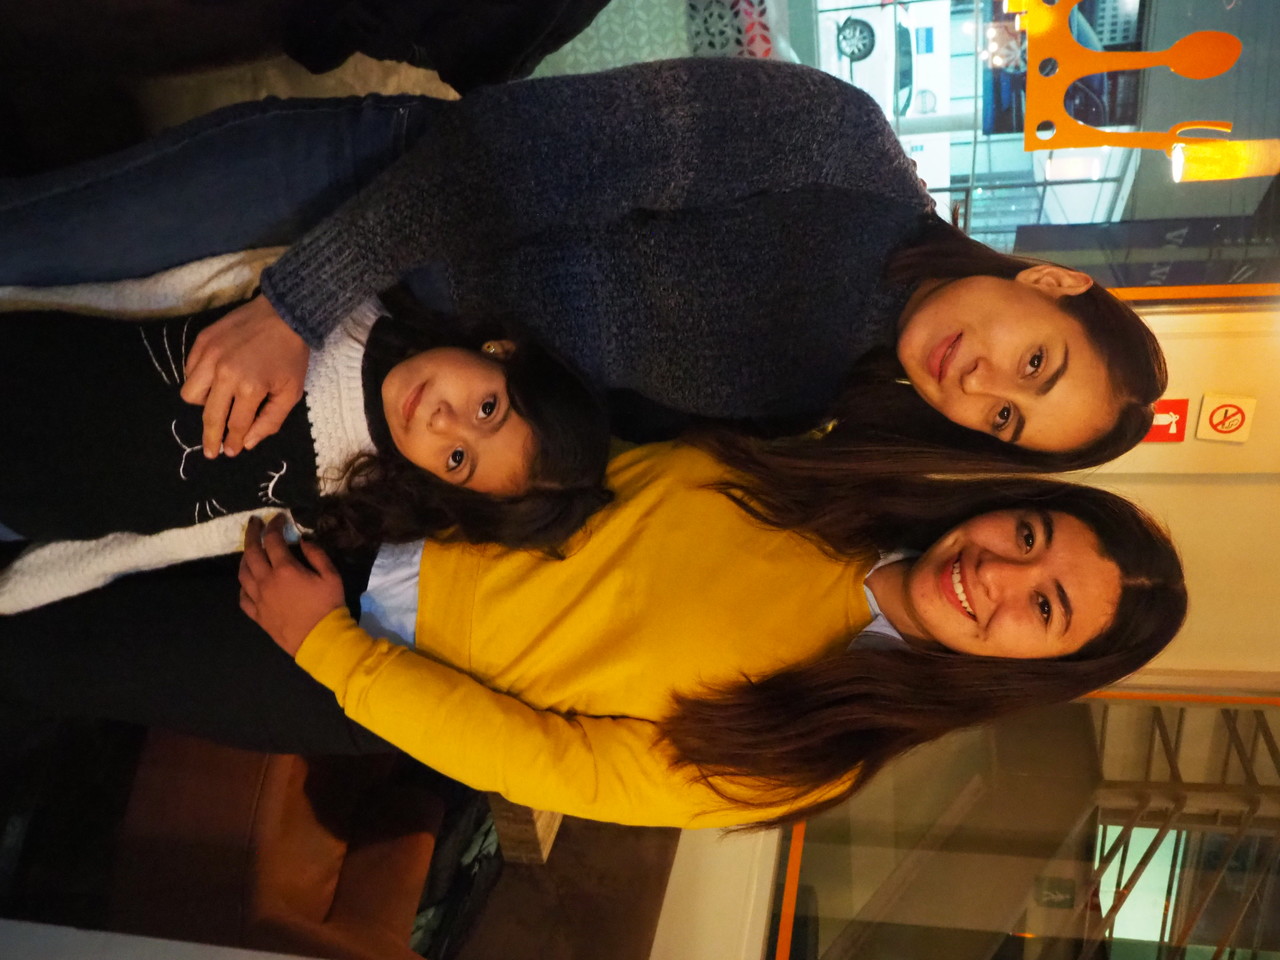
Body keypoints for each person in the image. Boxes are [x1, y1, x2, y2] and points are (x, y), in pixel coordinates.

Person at [0, 57, 1165, 471]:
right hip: (358, 194)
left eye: (1005, 420)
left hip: (377, 363)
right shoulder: (838, 149)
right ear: (1049, 284)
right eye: (1035, 363)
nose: (982, 384)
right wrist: (300, 303)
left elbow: (593, 419)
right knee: (30, 244)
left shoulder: (816, 399)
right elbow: (526, 149)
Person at [212, 440, 1184, 829]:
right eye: (1028, 534)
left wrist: (331, 649)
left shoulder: (817, 751)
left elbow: (548, 763)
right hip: (376, 489)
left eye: (1043, 609)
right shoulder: (832, 479)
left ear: (1027, 673)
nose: (999, 575)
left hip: (342, 651)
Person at [0, 280, 612, 614]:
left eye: (458, 460)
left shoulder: (344, 501)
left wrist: (36, 581)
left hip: (41, 508)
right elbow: (162, 290)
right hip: (38, 372)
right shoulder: (335, 311)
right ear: (501, 352)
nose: (443, 422)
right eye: (488, 408)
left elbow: (184, 537)